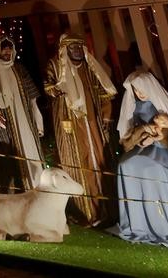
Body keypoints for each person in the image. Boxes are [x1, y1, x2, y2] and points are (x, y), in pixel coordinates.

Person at [111, 69, 168, 247]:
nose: (139, 94)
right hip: (142, 147)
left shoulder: (160, 104)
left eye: (142, 89)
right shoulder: (133, 106)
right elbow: (129, 132)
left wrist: (157, 135)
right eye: (136, 90)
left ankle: (164, 224)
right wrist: (141, 134)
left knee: (152, 169)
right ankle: (138, 222)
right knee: (126, 165)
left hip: (162, 149)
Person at [43, 33, 117, 226]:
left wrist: (106, 116)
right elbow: (49, 88)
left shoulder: (90, 67)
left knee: (98, 161)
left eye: (79, 47)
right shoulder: (55, 65)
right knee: (77, 162)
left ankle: (107, 210)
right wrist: (61, 85)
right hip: (70, 124)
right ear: (64, 50)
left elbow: (104, 94)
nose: (76, 50)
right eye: (72, 47)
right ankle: (85, 212)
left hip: (92, 122)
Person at [0, 35, 45, 193]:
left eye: (9, 47)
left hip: (24, 118)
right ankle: (17, 195)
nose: (7, 50)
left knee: (30, 150)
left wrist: (38, 122)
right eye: (3, 47)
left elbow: (32, 98)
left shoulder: (19, 68)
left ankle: (36, 188)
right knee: (9, 157)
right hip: (4, 123)